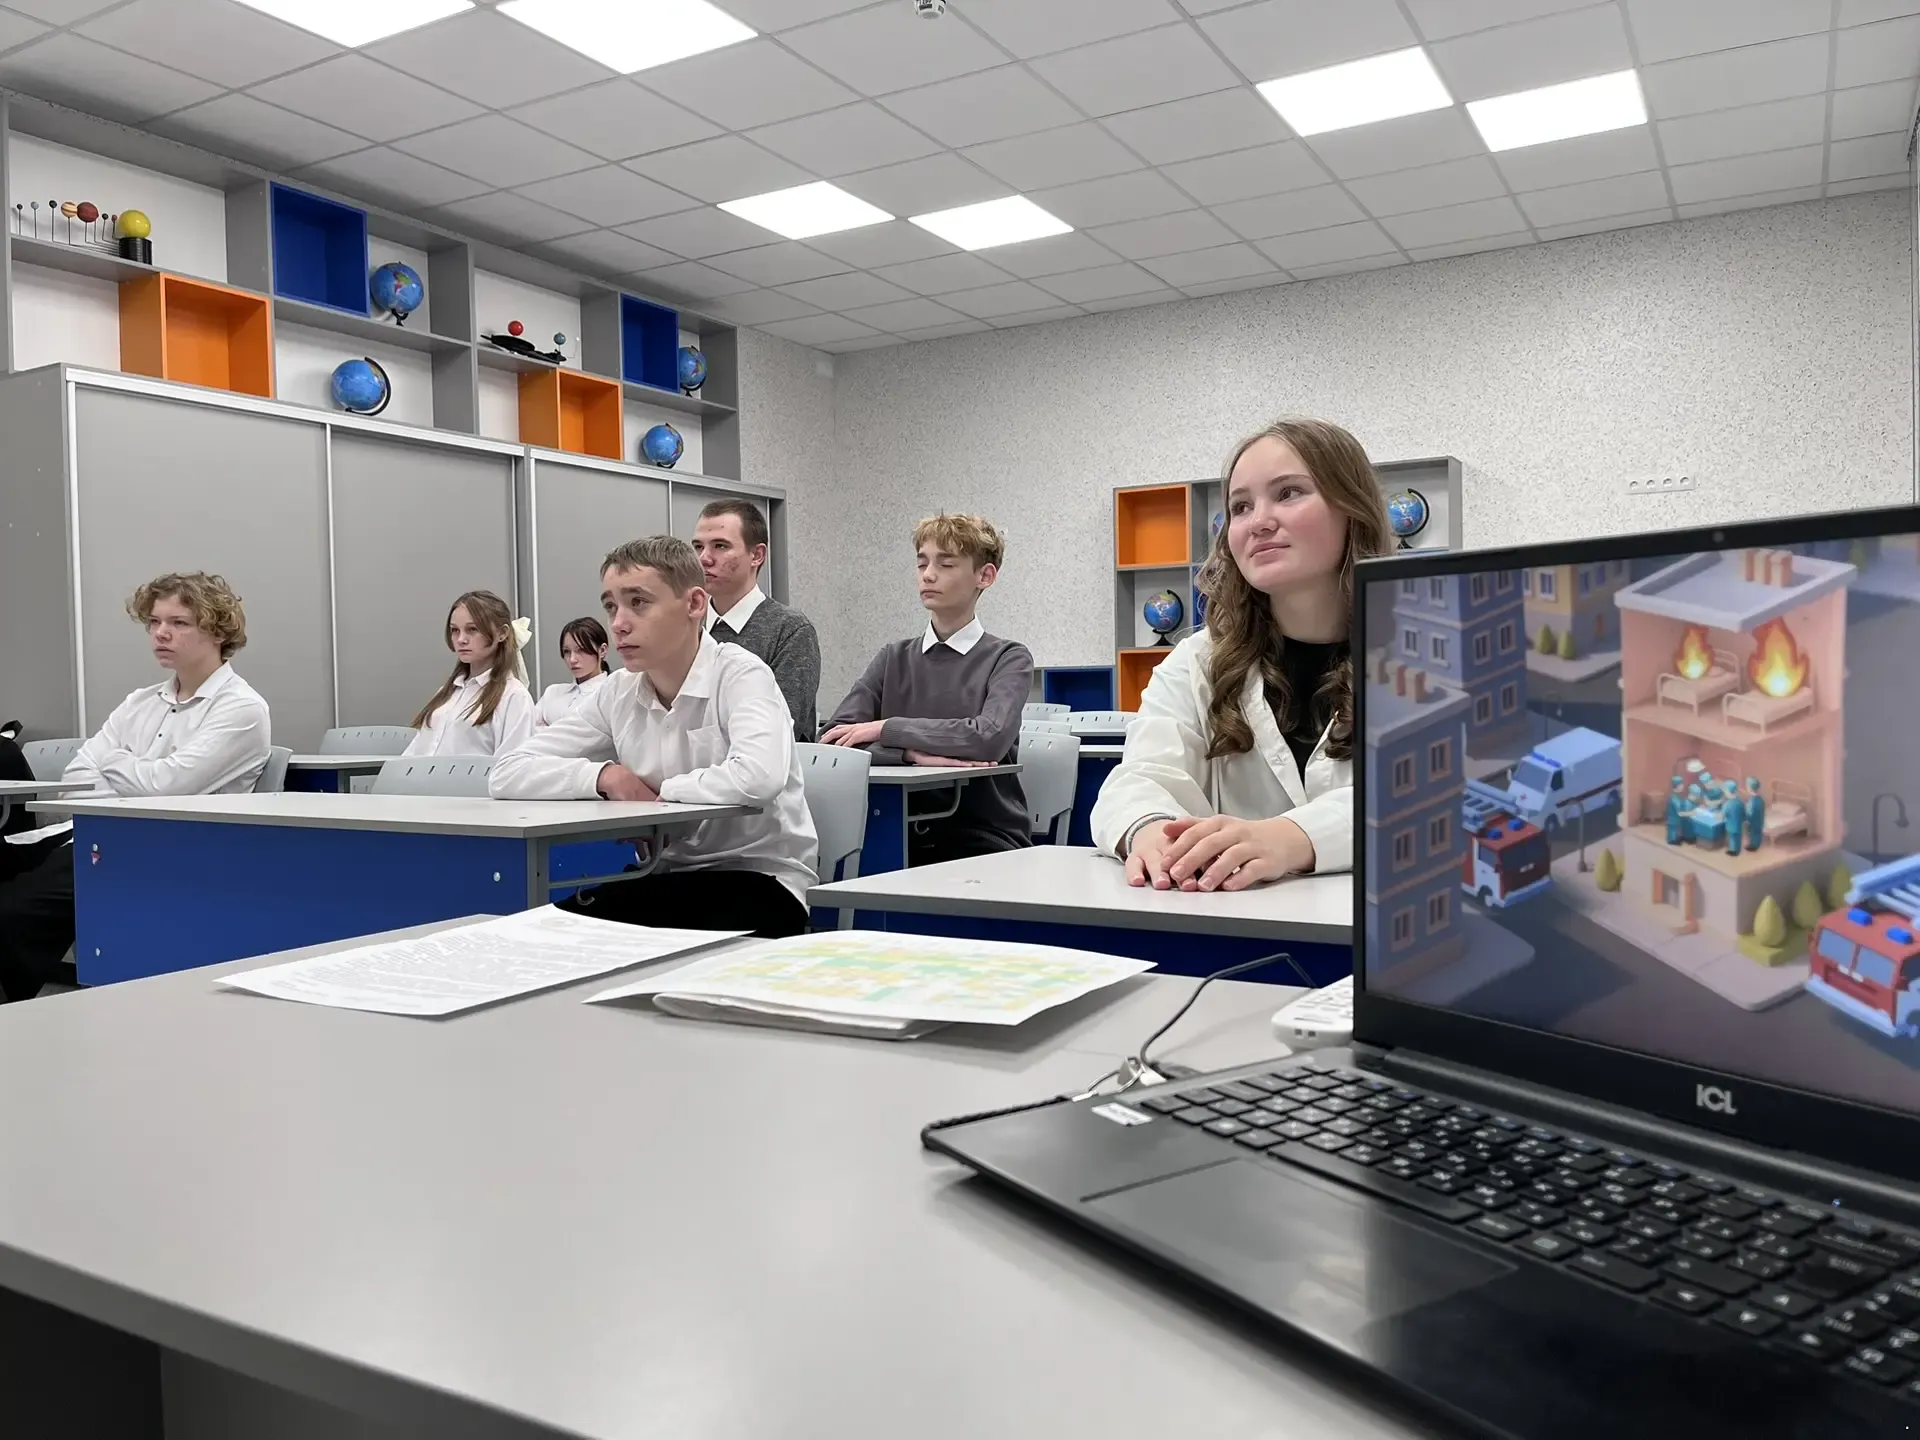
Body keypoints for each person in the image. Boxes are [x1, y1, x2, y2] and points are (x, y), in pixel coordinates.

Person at [1092, 418, 1391, 891]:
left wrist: (1291, 838)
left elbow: (1436, 797)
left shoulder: (1423, 655)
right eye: (1241, 507)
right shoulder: (1197, 661)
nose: (1259, 522)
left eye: (1289, 493)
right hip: (1235, 922)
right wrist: (1149, 830)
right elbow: (1141, 777)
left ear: (1352, 509)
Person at [491, 536, 818, 938]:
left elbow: (759, 777)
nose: (618, 623)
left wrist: (663, 795)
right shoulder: (618, 691)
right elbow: (507, 771)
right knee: (549, 932)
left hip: (761, 877)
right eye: (611, 606)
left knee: (591, 935)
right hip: (665, 875)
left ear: (694, 604)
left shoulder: (741, 675)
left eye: (638, 602)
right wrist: (605, 777)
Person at [0, 572, 270, 1002]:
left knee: (14, 912)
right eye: (155, 622)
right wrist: (135, 774)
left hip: (161, 847)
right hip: (91, 834)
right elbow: (76, 780)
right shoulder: (140, 701)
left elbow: (165, 789)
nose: (161, 633)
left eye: (179, 623)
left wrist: (113, 761)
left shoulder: (241, 708)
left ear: (218, 631)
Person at [822, 513, 1032, 864]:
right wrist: (908, 755)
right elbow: (832, 740)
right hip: (893, 829)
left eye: (945, 564)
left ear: (985, 575)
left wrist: (885, 729)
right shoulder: (893, 657)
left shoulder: (1009, 658)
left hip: (980, 836)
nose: (928, 575)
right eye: (922, 564)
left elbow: (988, 738)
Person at [692, 498, 821, 743]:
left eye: (720, 546)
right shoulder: (686, 625)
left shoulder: (790, 630)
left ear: (757, 555)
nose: (704, 558)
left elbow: (778, 733)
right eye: (698, 547)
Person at [404, 590, 535, 757]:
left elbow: (513, 765)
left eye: (472, 629)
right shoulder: (446, 693)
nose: (461, 639)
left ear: (502, 633)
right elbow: (414, 753)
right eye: (454, 630)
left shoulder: (513, 696)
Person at [535, 617, 610, 727]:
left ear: (602, 650)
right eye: (567, 651)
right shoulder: (552, 692)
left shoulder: (610, 694)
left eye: (581, 650)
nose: (572, 659)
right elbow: (528, 731)